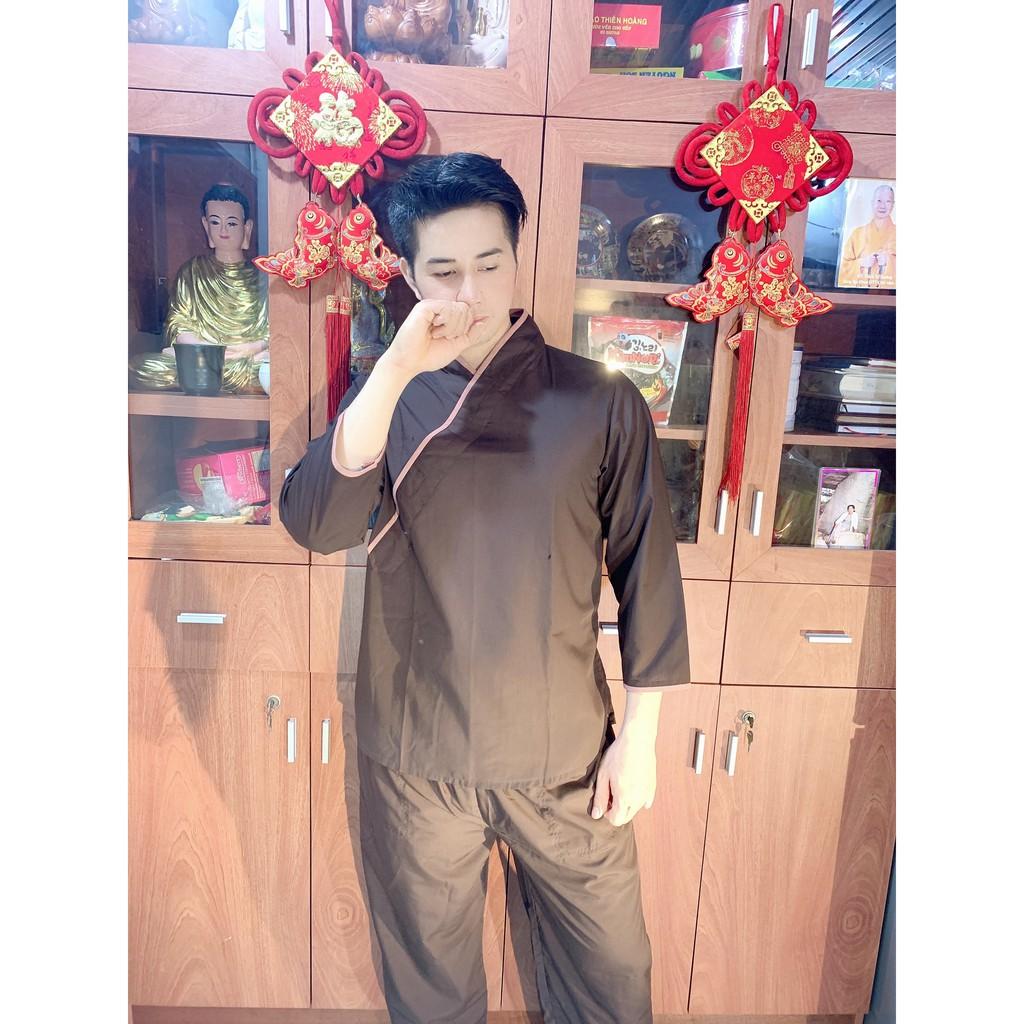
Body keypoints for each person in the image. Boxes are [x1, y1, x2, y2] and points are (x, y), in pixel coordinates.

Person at [279, 153, 691, 1024]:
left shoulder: (600, 398)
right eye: (443, 271)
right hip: (418, 754)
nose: (469, 293)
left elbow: (647, 569)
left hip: (567, 756)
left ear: (517, 256)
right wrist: (393, 371)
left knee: (613, 983)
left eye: (490, 264)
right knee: (431, 994)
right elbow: (316, 523)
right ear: (406, 272)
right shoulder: (388, 398)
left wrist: (642, 740)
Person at [128, 183, 269, 393]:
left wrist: (249, 349)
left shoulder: (261, 277)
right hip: (201, 358)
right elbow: (178, 324)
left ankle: (212, 376)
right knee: (139, 367)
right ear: (205, 225)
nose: (223, 231)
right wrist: (206, 351)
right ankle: (215, 375)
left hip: (246, 358)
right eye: (215, 222)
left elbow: (270, 331)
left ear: (246, 227)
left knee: (273, 368)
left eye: (231, 223)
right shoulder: (192, 271)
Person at [837, 183, 896, 288]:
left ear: (893, 205)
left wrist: (889, 261)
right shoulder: (857, 234)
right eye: (879, 201)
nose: (882, 206)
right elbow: (843, 269)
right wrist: (861, 263)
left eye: (888, 201)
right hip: (860, 294)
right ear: (872, 203)